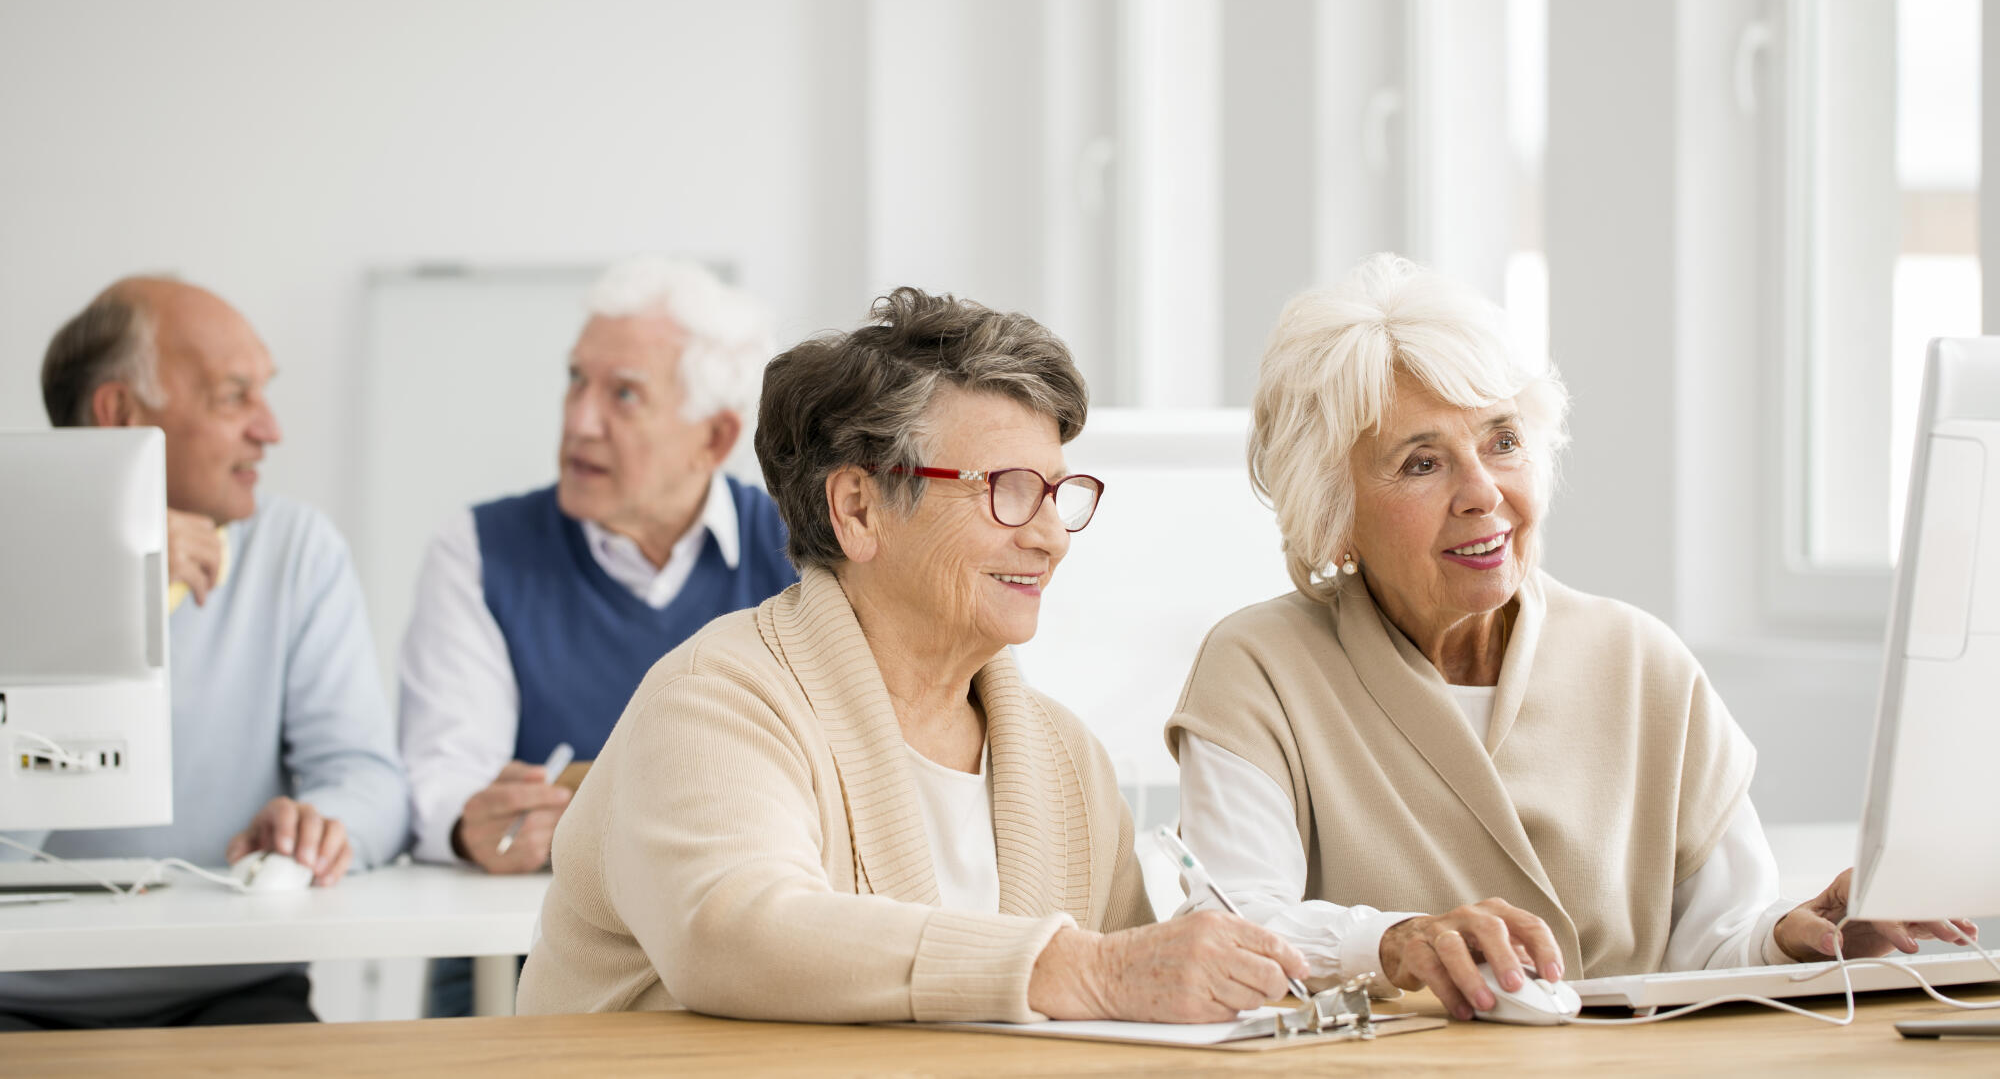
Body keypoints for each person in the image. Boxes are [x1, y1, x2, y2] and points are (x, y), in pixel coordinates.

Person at [1167, 254, 1980, 1023]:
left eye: (1502, 441)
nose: (1483, 492)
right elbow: (1238, 930)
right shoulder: (1258, 669)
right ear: (1333, 514)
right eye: (1422, 462)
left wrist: (1795, 937)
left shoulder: (1640, 661)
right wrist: (1393, 942)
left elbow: (1714, 947)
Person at [517, 288, 1308, 1023]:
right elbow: (736, 932)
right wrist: (1078, 970)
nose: (1051, 535)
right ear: (858, 508)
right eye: (1006, 487)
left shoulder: (1068, 760)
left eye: (1057, 493)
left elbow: (1135, 1002)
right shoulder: (714, 697)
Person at [0, 277, 408, 1030]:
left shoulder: (295, 551)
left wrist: (319, 823)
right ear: (119, 413)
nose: (271, 429)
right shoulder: (8, 550)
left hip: (233, 993)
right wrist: (101, 589)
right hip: (18, 1004)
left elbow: (372, 780)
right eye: (233, 396)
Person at [397, 258, 795, 1014]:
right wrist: (470, 821)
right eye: (576, 381)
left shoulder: (800, 554)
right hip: (517, 958)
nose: (580, 419)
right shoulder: (479, 549)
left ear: (713, 438)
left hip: (733, 960)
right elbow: (444, 774)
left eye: (623, 394)